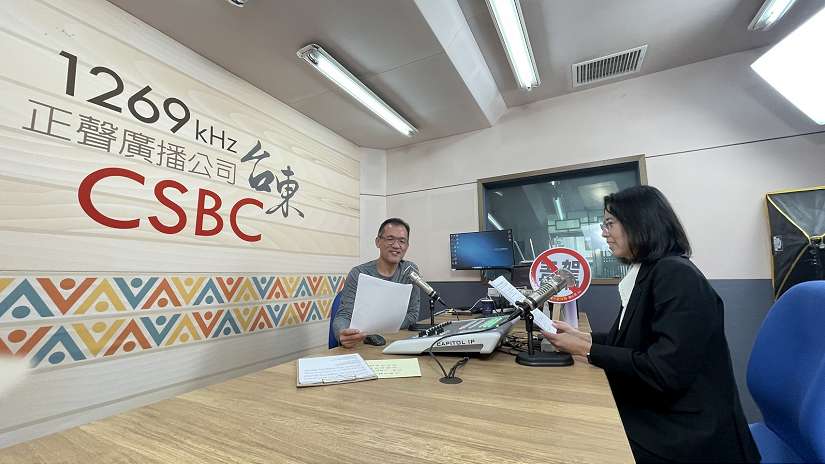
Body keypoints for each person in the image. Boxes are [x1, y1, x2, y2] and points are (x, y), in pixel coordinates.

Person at [543, 185, 760, 463]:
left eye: (610, 223)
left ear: (639, 222)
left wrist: (586, 350)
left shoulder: (677, 276)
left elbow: (664, 371)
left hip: (687, 431)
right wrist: (584, 338)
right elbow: (634, 339)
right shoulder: (648, 270)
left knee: (578, 438)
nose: (604, 233)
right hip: (663, 411)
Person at [333, 218, 421, 348]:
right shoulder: (359, 273)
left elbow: (412, 314)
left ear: (407, 246)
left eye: (402, 241)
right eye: (390, 239)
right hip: (363, 343)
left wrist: (382, 329)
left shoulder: (410, 271)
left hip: (395, 342)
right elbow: (344, 315)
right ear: (378, 242)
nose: (396, 245)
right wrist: (342, 333)